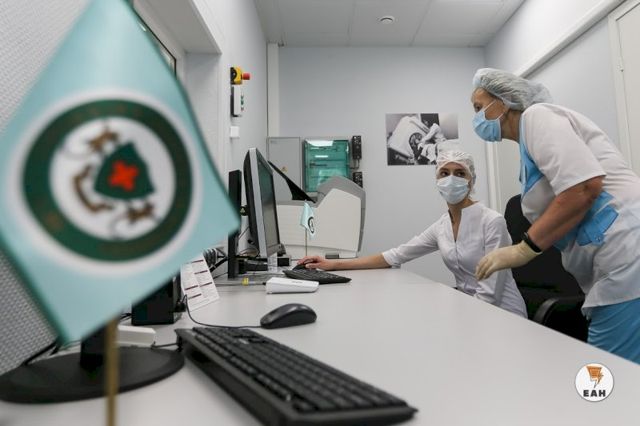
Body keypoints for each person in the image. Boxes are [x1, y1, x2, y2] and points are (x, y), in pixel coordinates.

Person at [470, 68, 640, 363]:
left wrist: (524, 248)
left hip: (625, 256)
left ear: (503, 102)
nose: (476, 118)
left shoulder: (538, 116)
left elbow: (583, 187)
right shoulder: (529, 144)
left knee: (606, 376)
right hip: (613, 263)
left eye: (478, 107)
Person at [298, 150, 527, 317]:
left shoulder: (492, 222)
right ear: (437, 180)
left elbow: (489, 295)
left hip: (504, 316)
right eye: (444, 173)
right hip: (470, 311)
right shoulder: (442, 226)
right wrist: (332, 265)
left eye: (460, 173)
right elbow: (396, 255)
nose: (451, 179)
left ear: (471, 181)